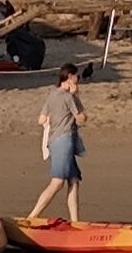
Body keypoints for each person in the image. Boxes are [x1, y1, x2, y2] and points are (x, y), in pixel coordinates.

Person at [25, 64, 88, 224]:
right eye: (77, 77)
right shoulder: (68, 97)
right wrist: (76, 96)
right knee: (57, 182)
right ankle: (31, 217)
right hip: (63, 141)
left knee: (74, 180)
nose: (78, 80)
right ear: (70, 78)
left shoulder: (52, 94)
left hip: (54, 141)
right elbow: (82, 118)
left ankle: (75, 221)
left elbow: (41, 119)